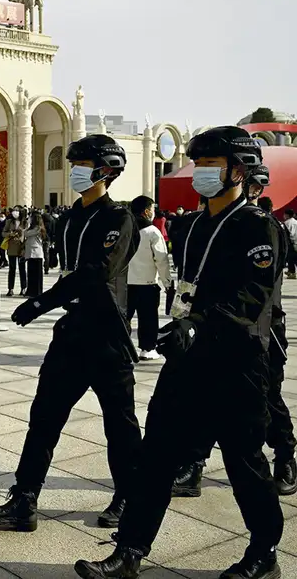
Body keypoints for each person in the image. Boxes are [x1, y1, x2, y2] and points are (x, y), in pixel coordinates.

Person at [74, 126, 284, 579]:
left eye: (212, 166)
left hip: (238, 364)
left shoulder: (258, 226)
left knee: (244, 463)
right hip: (189, 362)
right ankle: (129, 551)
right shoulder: (191, 225)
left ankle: (264, 553)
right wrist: (183, 323)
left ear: (239, 170)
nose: (201, 174)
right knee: (155, 458)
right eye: (200, 165)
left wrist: (198, 323)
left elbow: (253, 295)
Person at [0, 134, 142, 533]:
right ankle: (24, 499)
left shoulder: (119, 218)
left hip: (107, 333)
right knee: (44, 417)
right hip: (72, 331)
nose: (75, 171)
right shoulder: (69, 218)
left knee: (118, 423)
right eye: (75, 163)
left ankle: (129, 497)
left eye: (83, 163)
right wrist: (51, 303)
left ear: (106, 170)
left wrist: (40, 302)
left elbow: (97, 272)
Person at [171, 165, 297, 501]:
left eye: (258, 187)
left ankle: (285, 458)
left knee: (268, 400)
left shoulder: (262, 227)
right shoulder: (204, 227)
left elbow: (259, 288)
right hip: (210, 327)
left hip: (259, 329)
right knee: (200, 398)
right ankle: (194, 463)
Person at [126, 195, 172, 361]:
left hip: (126, 283)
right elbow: (161, 260)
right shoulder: (152, 232)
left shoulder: (126, 229)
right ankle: (147, 348)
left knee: (125, 317)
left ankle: (122, 347)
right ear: (146, 211)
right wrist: (167, 282)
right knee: (148, 318)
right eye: (152, 209)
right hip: (147, 283)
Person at [4, 207, 28, 296]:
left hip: (21, 248)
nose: (15, 212)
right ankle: (10, 288)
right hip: (12, 248)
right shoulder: (9, 222)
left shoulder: (25, 223)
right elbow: (3, 233)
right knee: (12, 269)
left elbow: (27, 236)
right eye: (14, 210)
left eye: (17, 211)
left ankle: (23, 288)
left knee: (22, 269)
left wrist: (25, 247)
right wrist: (9, 234)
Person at [22, 212, 46, 296]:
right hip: (31, 253)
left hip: (36, 254)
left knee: (37, 275)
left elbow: (25, 233)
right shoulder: (33, 228)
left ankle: (37, 292)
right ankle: (31, 290)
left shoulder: (38, 228)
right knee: (31, 274)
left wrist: (27, 224)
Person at [282, 209, 297, 279]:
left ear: (287, 215)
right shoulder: (295, 221)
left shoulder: (286, 223)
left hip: (291, 243)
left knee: (291, 258)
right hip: (295, 242)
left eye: (284, 214)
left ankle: (292, 272)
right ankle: (291, 271)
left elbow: (289, 234)